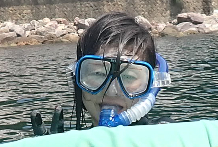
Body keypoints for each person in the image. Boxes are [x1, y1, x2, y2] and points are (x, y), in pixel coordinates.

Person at [33, 11, 172, 132]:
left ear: (150, 85)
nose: (111, 90)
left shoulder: (166, 139)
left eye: (128, 76)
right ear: (76, 79)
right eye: (99, 74)